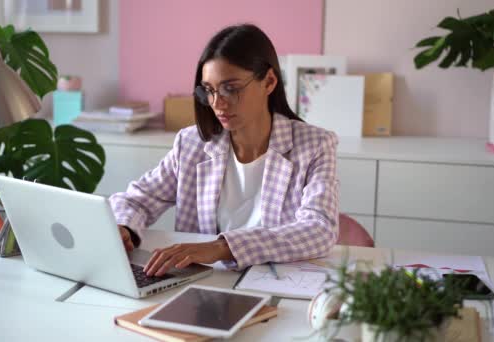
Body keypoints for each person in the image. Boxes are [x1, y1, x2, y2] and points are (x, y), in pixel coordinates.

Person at [111, 24, 339, 277]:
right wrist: (124, 228)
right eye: (208, 90)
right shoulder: (191, 144)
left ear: (269, 81)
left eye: (231, 88)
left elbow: (319, 229)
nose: (217, 104)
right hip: (205, 283)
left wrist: (221, 248)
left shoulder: (315, 145)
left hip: (278, 284)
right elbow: (135, 200)